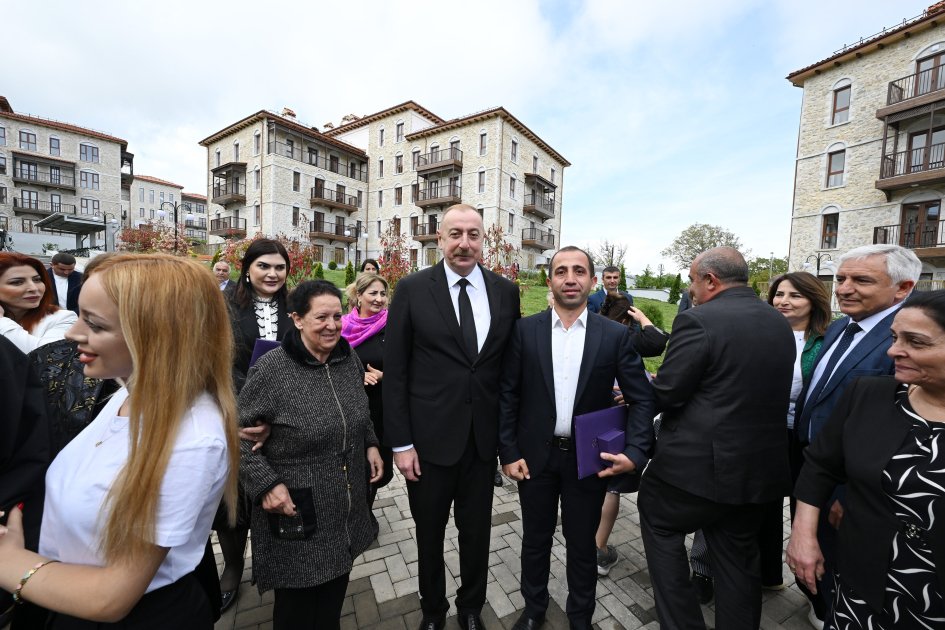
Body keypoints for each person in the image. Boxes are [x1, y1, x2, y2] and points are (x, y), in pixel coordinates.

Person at [0, 253, 240, 628]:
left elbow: (111, 597)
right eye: (80, 315)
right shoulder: (129, 393)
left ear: (156, 335)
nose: (72, 333)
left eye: (94, 324)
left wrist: (12, 563)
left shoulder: (190, 439)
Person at [638, 247, 795, 630]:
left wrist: (643, 384)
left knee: (657, 523)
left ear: (710, 280)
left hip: (692, 475)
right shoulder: (778, 323)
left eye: (692, 280)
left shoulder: (699, 320)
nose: (690, 289)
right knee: (738, 564)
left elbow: (670, 393)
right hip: (756, 476)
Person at [499, 246, 654, 630]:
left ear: (592, 280)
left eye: (579, 271)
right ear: (548, 280)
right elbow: (509, 395)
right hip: (534, 457)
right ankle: (534, 609)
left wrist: (635, 451)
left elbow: (641, 396)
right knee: (535, 540)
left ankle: (580, 617)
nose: (570, 278)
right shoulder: (525, 330)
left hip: (588, 460)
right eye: (561, 271)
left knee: (582, 544)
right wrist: (508, 450)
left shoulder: (615, 335)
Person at [384, 204, 521, 630]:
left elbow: (507, 371)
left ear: (484, 240)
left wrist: (507, 442)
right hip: (427, 444)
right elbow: (397, 371)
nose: (464, 243)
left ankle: (471, 607)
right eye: (455, 234)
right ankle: (432, 611)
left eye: (473, 234)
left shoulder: (505, 291)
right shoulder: (411, 289)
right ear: (439, 238)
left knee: (476, 534)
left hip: (481, 444)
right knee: (429, 534)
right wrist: (401, 444)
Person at [787, 290, 945, 629]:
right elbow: (821, 465)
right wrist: (803, 534)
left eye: (915, 342)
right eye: (894, 337)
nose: (893, 351)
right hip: (862, 584)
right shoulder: (870, 394)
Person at [238, 280, 383, 629]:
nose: (332, 325)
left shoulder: (348, 359)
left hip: (344, 506)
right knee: (297, 609)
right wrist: (266, 485)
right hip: (298, 507)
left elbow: (359, 410)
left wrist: (371, 443)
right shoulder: (272, 370)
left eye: (336, 316)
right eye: (321, 317)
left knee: (332, 598)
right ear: (297, 319)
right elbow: (236, 436)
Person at [217, 238, 292, 612]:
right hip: (237, 417)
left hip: (286, 418)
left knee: (281, 497)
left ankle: (280, 567)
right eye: (264, 266)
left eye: (279, 267)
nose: (272, 274)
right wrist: (250, 408)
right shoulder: (225, 305)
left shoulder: (295, 306)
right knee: (233, 505)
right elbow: (220, 361)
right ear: (247, 268)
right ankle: (232, 566)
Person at [757, 272, 832, 590]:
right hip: (766, 434)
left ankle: (813, 588)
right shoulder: (760, 333)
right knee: (765, 508)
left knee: (805, 510)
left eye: (795, 295)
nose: (784, 301)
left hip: (807, 438)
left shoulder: (827, 340)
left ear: (814, 300)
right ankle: (768, 576)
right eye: (779, 294)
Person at [595, 303, 667, 576]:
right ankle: (598, 549)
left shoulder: (593, 335)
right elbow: (657, 341)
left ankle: (592, 544)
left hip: (595, 420)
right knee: (612, 486)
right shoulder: (626, 339)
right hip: (621, 421)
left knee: (599, 480)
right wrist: (644, 318)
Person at [342, 272, 394, 507]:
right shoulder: (342, 327)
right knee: (351, 465)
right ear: (358, 296)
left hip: (382, 409)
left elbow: (409, 364)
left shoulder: (394, 325)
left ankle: (366, 512)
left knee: (376, 467)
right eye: (372, 293)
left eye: (383, 294)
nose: (379, 299)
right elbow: (329, 365)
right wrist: (357, 377)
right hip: (348, 407)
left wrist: (386, 375)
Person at [0, 252, 77, 353]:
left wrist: (2, 322)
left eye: (37, 280)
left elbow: (47, 357)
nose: (34, 288)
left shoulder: (64, 318)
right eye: (17, 282)